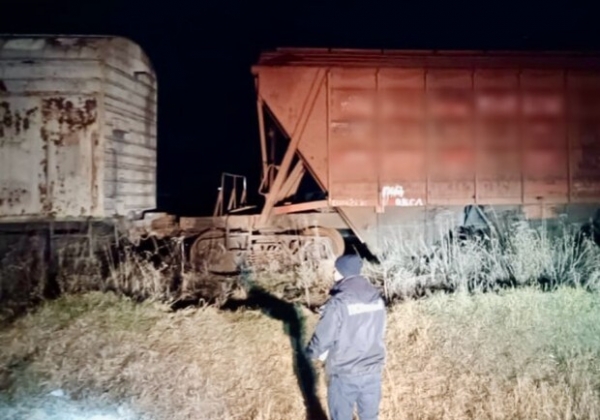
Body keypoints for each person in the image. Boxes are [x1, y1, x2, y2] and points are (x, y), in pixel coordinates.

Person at [305, 254, 387, 420]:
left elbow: (324, 336)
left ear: (343, 272)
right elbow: (380, 329)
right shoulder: (377, 298)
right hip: (372, 369)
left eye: (335, 269)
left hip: (344, 372)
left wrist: (310, 353)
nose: (333, 273)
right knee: (370, 417)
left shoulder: (339, 301)